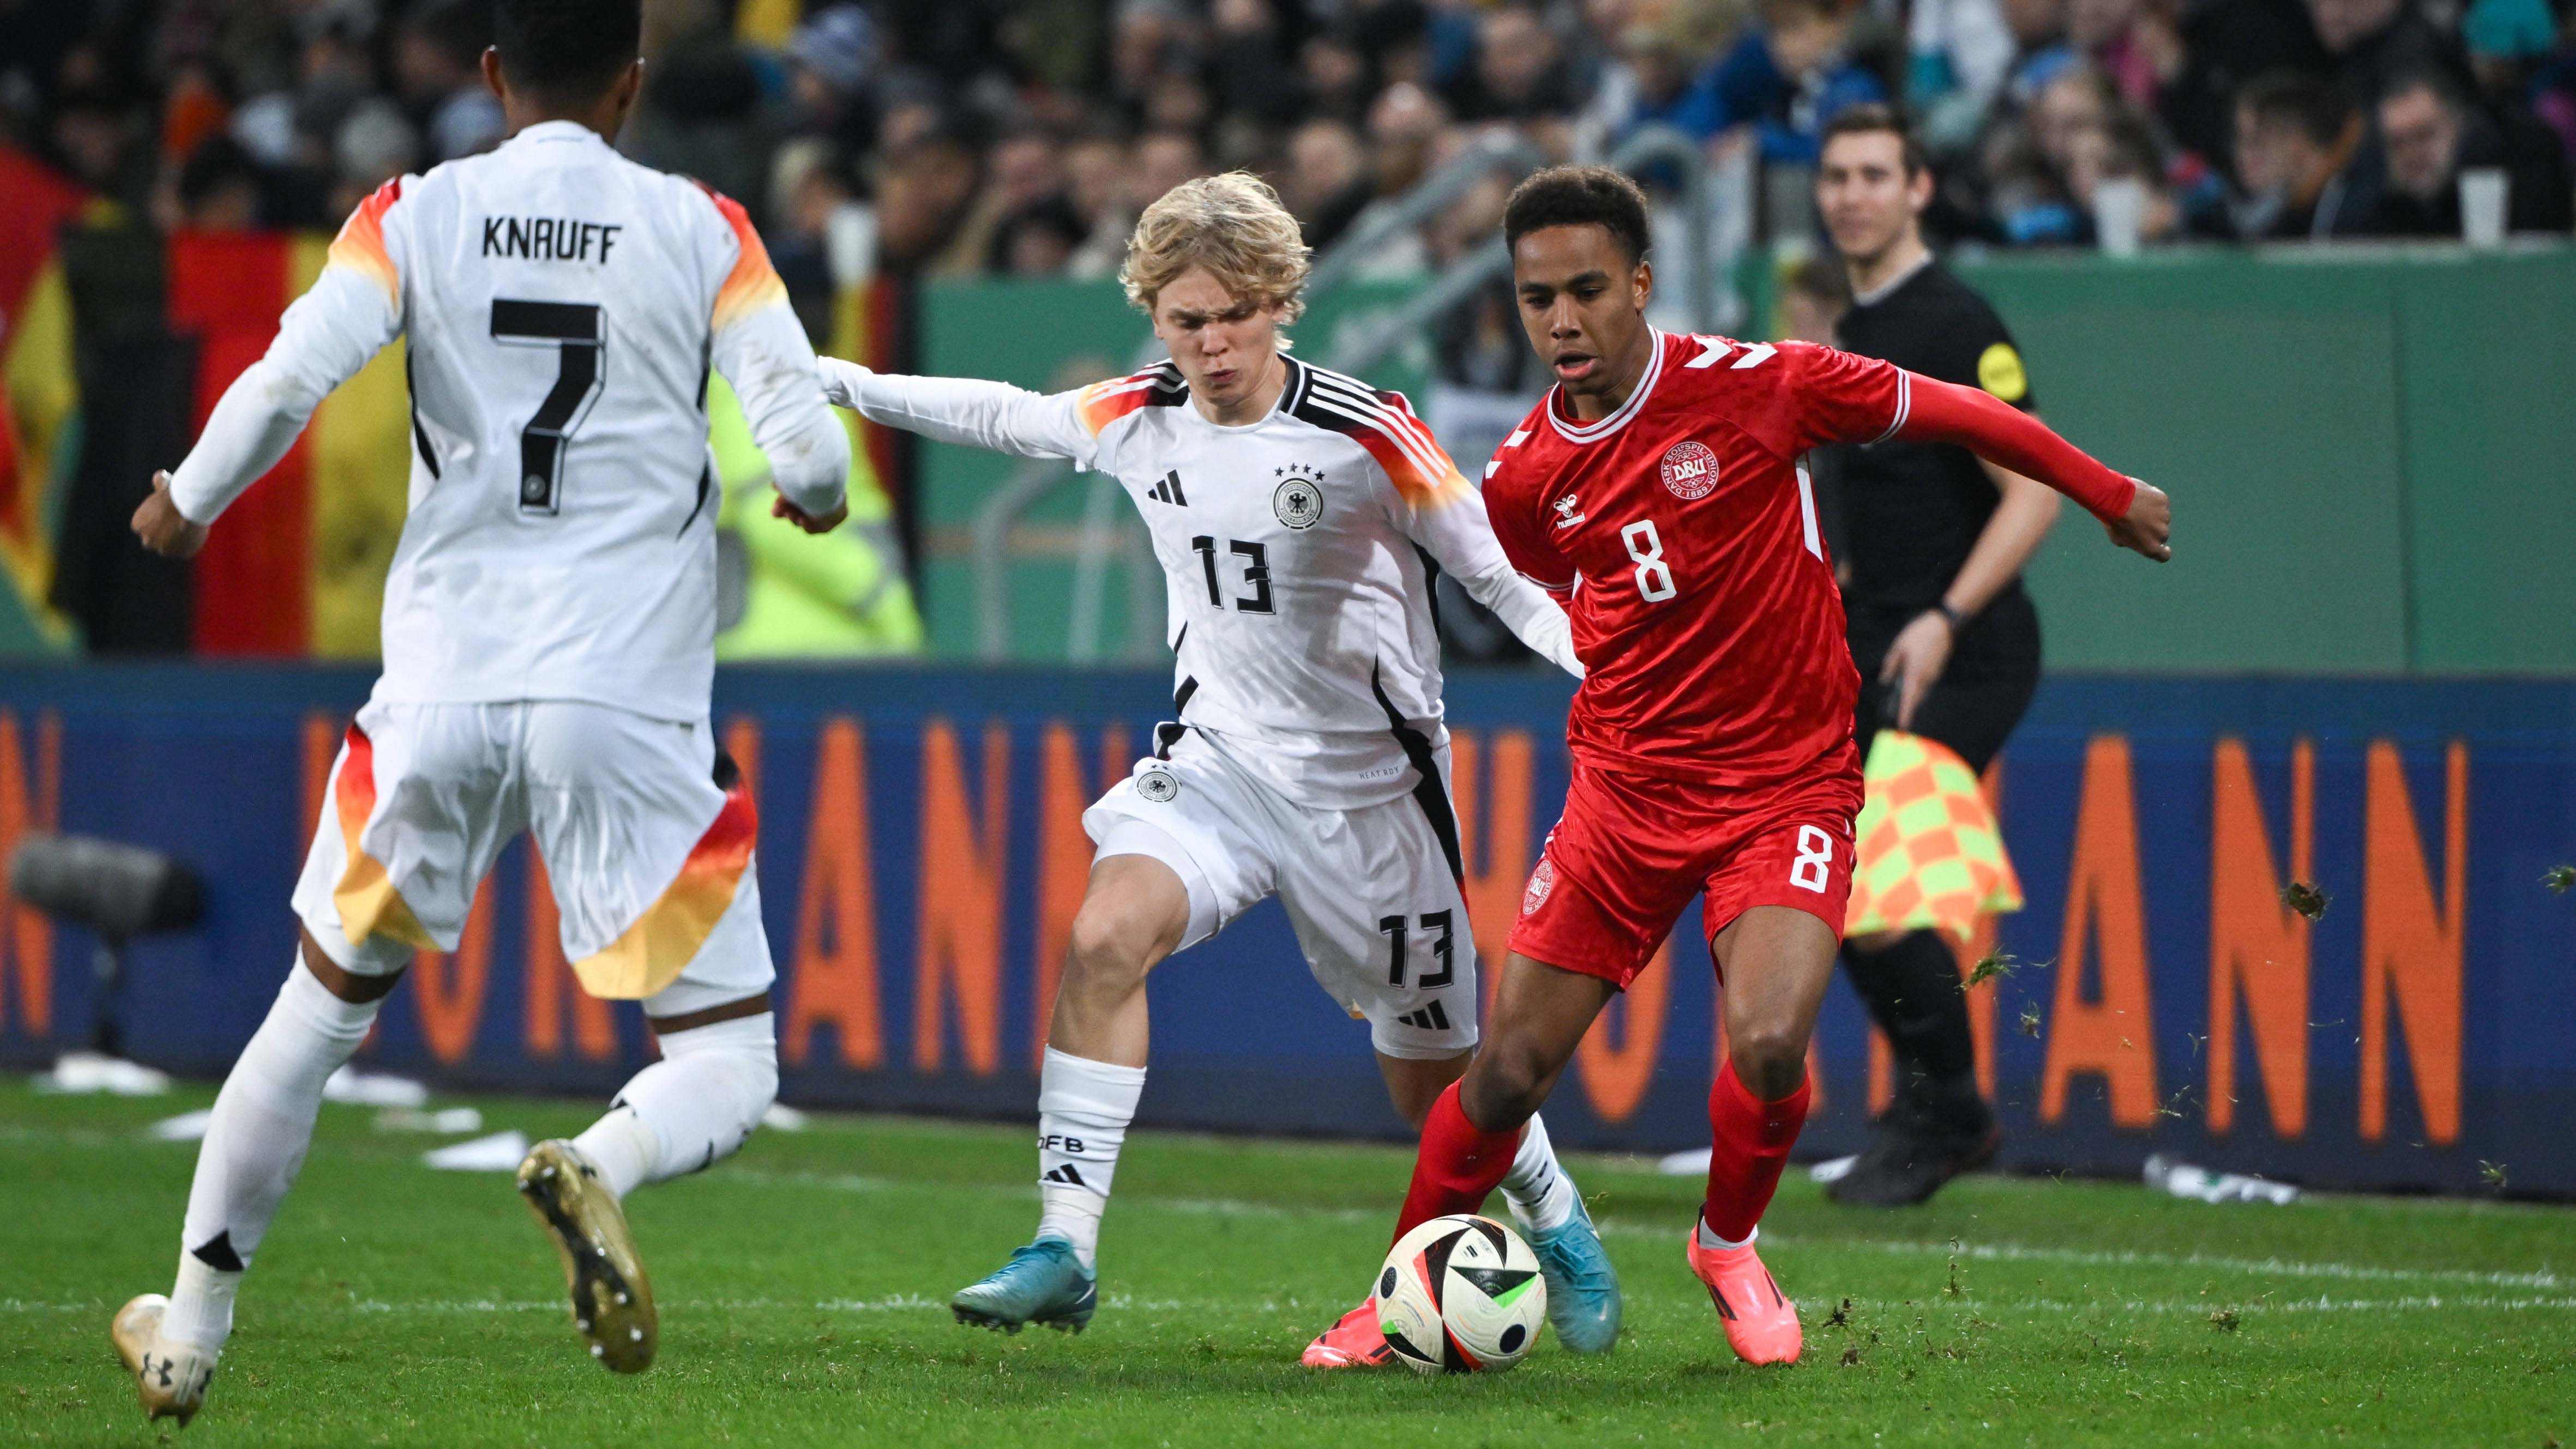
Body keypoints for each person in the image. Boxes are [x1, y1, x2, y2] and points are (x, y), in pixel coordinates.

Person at [112, 0, 851, 1422]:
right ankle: (598, 1164)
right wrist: (808, 496)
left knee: (315, 1019)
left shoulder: (412, 210)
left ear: (494, 74)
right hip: (623, 706)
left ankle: (189, 1332)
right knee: (725, 1058)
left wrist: (189, 497)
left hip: (438, 695)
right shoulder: (707, 228)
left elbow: (289, 376)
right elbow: (808, 450)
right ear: (632, 87)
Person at [1357, 165, 2169, 1368]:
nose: (1562, 321)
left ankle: (1726, 1244)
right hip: (1626, 797)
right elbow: (1540, 578)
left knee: (1772, 1044)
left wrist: (2100, 491)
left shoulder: (1762, 386)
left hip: (1785, 782)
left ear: (1641, 284)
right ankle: (1389, 1306)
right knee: (1507, 1068)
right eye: (1537, 300)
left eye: (1587, 290)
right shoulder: (1526, 475)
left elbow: (1958, 411)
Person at [814, 172, 1623, 1368]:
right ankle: (1065, 1249)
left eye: (1234, 315)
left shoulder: (1364, 431)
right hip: (1223, 767)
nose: (1212, 343)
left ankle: (1560, 1226)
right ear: (1156, 315)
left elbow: (1500, 578)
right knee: (1103, 938)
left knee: (1437, 1088)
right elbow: (996, 414)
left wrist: (1608, 673)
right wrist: (842, 383)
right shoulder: (1138, 414)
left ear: (1280, 303)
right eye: (1187, 320)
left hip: (1373, 803)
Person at [1813, 105, 2048, 1205]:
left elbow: (2035, 489)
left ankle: (1952, 1112)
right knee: (1830, 885)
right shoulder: (1849, 332)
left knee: (1878, 880)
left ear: (1918, 189)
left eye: (1873, 174)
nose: (1851, 193)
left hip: (1966, 651)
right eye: (1835, 176)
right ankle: (1926, 1101)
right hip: (1874, 651)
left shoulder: (1954, 322)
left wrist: (1946, 614)